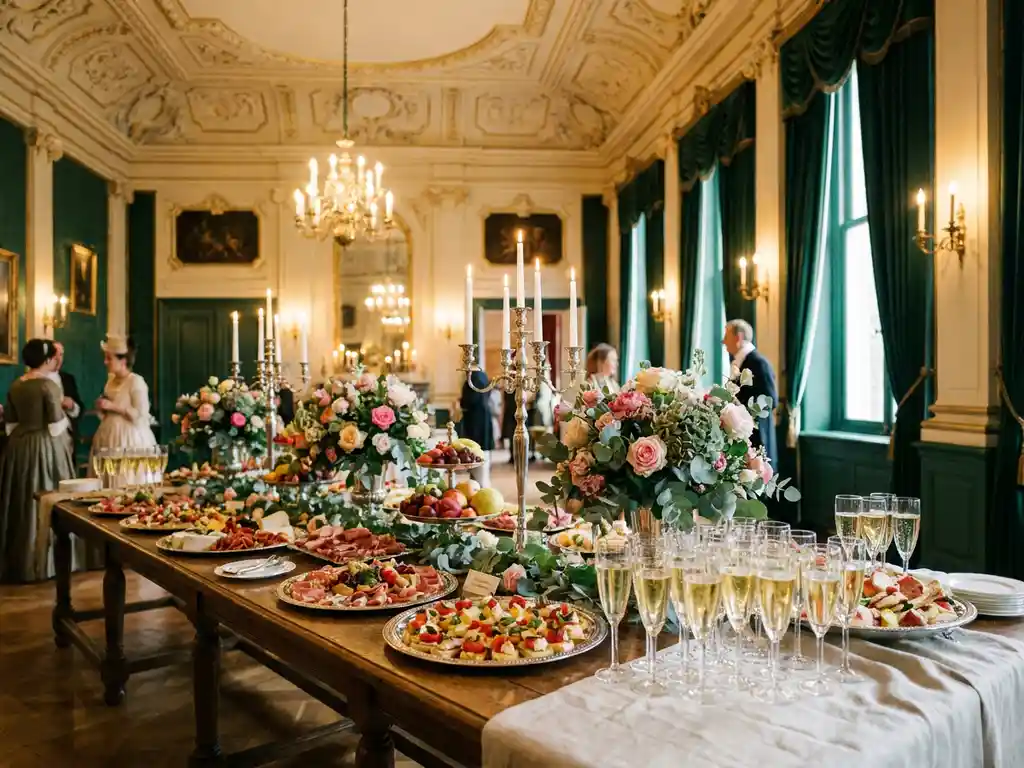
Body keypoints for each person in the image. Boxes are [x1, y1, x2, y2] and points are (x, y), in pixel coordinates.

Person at [0, 339, 75, 582]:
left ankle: (18, 560)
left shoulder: (16, 385)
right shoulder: (48, 386)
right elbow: (55, 426)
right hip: (45, 447)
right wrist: (66, 417)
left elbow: (10, 425)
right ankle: (46, 564)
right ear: (46, 359)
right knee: (49, 496)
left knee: (20, 500)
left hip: (19, 448)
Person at [89, 335, 156, 467]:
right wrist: (102, 407)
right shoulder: (110, 381)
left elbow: (141, 416)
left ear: (123, 361)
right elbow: (105, 413)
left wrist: (114, 407)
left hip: (129, 438)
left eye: (109, 358)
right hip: (108, 434)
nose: (105, 362)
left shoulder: (136, 381)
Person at [722, 318, 778, 466]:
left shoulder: (758, 363)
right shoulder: (740, 362)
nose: (723, 341)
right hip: (745, 437)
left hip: (758, 439)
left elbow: (771, 400)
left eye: (726, 337)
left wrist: (741, 411)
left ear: (738, 337)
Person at [459, 370, 494, 486]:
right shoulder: (483, 376)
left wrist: (461, 402)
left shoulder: (473, 379)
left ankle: (479, 487)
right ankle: (480, 485)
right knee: (484, 458)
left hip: (475, 420)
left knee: (476, 456)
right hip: (484, 417)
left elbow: (469, 400)